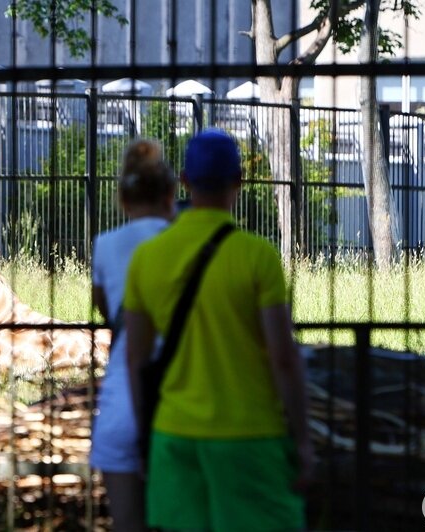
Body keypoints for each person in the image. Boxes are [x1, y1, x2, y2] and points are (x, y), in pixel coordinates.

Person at [124, 129, 314, 531]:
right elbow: (282, 357)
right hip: (250, 436)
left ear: (185, 183)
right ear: (239, 182)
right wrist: (302, 439)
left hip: (173, 436)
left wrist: (145, 438)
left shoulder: (146, 259)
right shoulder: (257, 256)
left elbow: (137, 359)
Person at [89, 139, 176, 532]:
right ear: (170, 195)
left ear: (122, 197)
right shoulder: (185, 243)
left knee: (127, 523)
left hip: (119, 401)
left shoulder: (105, 245)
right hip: (175, 402)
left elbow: (109, 313)